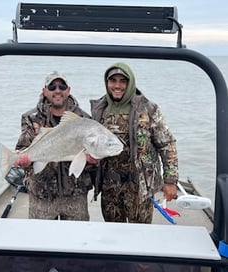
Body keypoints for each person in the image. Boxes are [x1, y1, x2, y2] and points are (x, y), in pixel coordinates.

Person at [90, 62, 178, 223]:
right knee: (113, 237)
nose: (117, 85)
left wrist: (170, 180)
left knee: (140, 237)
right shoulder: (99, 109)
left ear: (130, 83)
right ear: (106, 83)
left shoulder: (148, 109)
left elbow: (167, 144)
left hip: (139, 188)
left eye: (123, 81)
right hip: (110, 187)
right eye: (113, 81)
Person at [14, 71, 95, 220]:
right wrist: (24, 162)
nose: (57, 90)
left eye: (62, 86)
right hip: (42, 196)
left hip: (75, 196)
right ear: (44, 91)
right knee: (41, 241)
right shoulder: (31, 118)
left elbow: (89, 161)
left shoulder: (83, 119)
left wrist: (92, 161)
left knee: (77, 240)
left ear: (68, 90)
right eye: (52, 86)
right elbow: (24, 147)